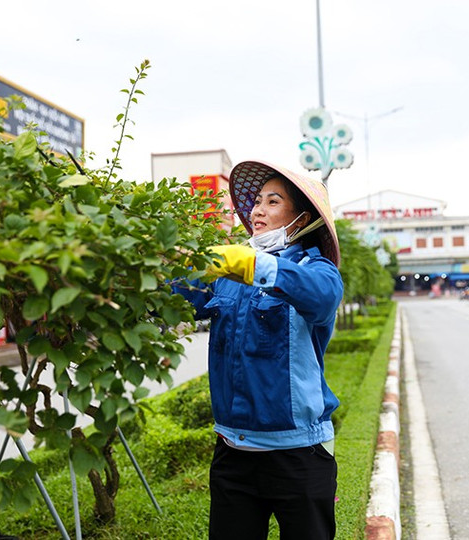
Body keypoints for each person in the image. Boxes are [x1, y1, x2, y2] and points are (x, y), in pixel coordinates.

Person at [176, 160, 344, 539]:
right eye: (256, 202)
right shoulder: (227, 275)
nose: (257, 211)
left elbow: (321, 298)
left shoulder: (316, 270)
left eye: (272, 201)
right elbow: (174, 300)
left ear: (300, 219)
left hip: (300, 454)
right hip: (233, 451)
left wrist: (254, 264)